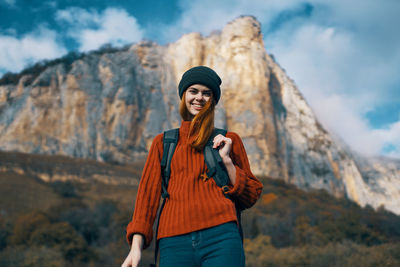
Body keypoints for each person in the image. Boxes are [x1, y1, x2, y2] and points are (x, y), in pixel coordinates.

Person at [122, 66, 263, 267]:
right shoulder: (163, 143)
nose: (199, 98)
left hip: (222, 237)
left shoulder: (229, 140)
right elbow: (146, 199)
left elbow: (251, 196)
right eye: (193, 91)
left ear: (213, 100)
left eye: (207, 93)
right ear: (183, 95)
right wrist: (135, 248)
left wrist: (228, 161)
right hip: (173, 241)